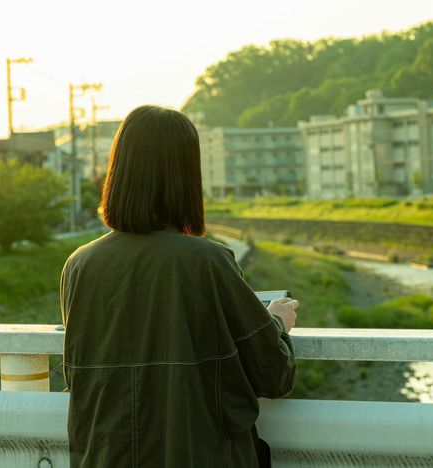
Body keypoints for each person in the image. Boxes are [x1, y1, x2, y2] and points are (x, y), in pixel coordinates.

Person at [60, 105, 299, 468]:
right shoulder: (208, 260)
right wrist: (276, 323)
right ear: (185, 176)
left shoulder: (79, 265)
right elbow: (272, 375)